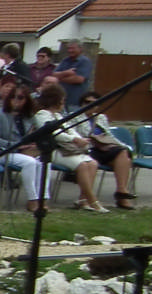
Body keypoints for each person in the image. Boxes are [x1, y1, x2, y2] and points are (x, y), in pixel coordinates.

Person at [34, 83, 106, 212]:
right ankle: (93, 200)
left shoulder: (58, 115)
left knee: (92, 163)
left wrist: (80, 139)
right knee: (82, 165)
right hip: (53, 150)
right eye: (62, 99)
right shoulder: (42, 115)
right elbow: (55, 134)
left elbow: (70, 130)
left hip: (67, 149)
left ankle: (83, 200)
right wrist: (74, 140)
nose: (64, 102)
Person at [0, 84, 48, 213]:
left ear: (27, 100)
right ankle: (32, 200)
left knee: (45, 161)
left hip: (25, 152)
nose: (16, 101)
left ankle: (43, 199)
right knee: (30, 163)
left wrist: (35, 144)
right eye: (13, 97)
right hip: (2, 152)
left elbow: (39, 134)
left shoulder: (29, 116)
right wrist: (18, 145)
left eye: (20, 98)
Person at [73, 90, 137, 210]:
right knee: (92, 163)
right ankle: (84, 199)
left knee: (123, 153)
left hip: (103, 147)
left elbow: (108, 135)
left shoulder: (101, 117)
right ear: (81, 104)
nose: (91, 105)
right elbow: (73, 136)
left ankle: (121, 193)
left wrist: (122, 145)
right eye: (87, 102)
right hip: (87, 149)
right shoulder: (74, 117)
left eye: (95, 103)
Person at [52, 42, 93, 107]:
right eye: (68, 48)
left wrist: (59, 78)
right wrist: (66, 72)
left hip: (76, 101)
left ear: (80, 49)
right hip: (62, 101)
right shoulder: (65, 60)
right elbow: (54, 75)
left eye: (73, 48)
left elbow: (79, 79)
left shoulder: (84, 61)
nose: (70, 50)